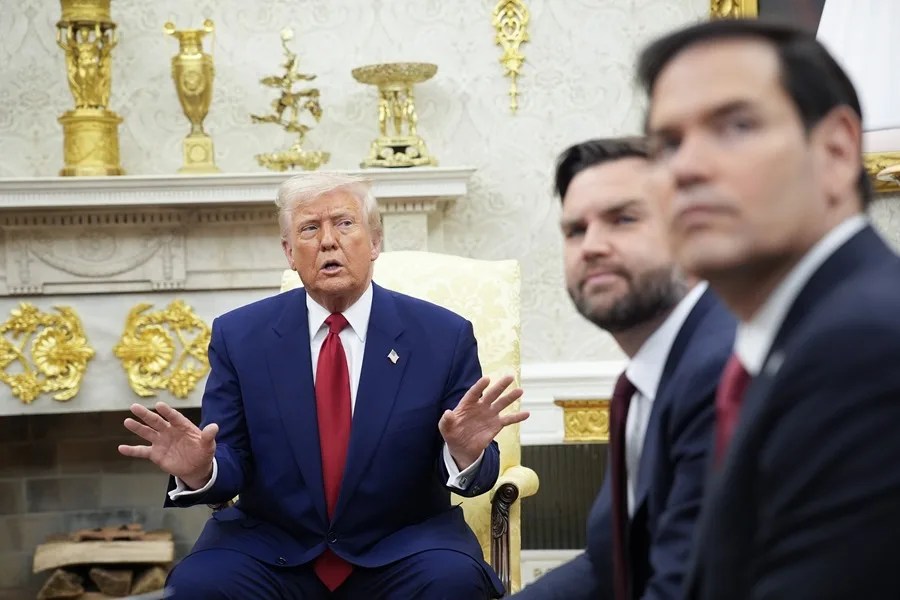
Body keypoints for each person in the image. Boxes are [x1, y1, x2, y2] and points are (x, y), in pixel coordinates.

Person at [118, 172, 529, 599]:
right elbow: (229, 455)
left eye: (344, 224)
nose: (328, 241)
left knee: (454, 581)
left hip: (403, 547)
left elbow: (476, 476)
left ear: (375, 242)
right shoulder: (239, 336)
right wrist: (199, 470)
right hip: (272, 549)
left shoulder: (442, 336)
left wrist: (465, 452)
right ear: (289, 252)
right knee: (196, 586)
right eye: (310, 229)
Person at [639, 18, 900, 599]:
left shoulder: (862, 348)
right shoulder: (796, 336)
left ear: (836, 151)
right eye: (668, 144)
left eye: (737, 126)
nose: (687, 167)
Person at [513, 138, 734, 600]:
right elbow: (608, 563)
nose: (592, 246)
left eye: (624, 219)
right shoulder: (647, 377)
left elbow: (688, 584)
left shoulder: (722, 371)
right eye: (575, 230)